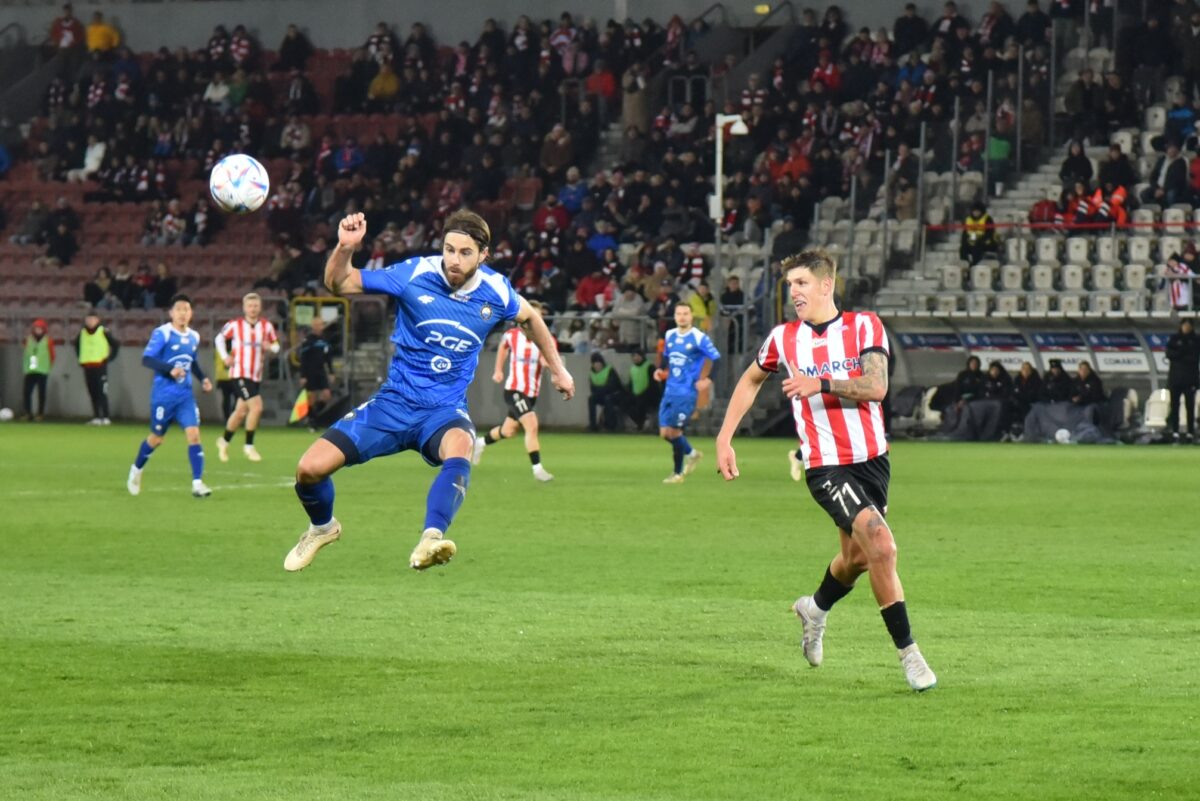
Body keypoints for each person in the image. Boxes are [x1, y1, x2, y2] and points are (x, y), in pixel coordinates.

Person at [284, 210, 575, 573]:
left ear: (483, 255)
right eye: (449, 250)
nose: (454, 260)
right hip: (393, 404)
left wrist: (558, 369)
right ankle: (322, 528)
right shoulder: (415, 273)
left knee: (462, 446)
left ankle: (430, 539)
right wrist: (345, 248)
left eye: (465, 253)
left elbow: (531, 318)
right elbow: (340, 284)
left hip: (443, 411)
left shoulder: (497, 291)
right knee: (308, 469)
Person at [714, 248, 937, 692]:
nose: (793, 292)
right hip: (825, 465)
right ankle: (909, 655)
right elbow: (751, 379)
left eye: (801, 283)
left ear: (826, 285)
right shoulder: (783, 338)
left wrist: (820, 383)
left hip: (872, 460)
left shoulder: (864, 326)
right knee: (882, 546)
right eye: (790, 285)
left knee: (857, 559)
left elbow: (877, 386)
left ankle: (814, 609)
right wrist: (725, 437)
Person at [126, 294, 214, 498]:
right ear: (171, 313)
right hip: (163, 396)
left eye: (186, 309)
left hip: (185, 396)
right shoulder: (163, 333)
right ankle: (136, 469)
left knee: (194, 435)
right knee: (156, 438)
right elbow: (147, 359)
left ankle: (197, 483)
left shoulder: (194, 336)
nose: (183, 313)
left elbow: (192, 362)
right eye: (179, 309)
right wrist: (169, 369)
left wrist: (203, 379)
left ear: (191, 313)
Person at [473, 302, 556, 481]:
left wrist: (549, 365)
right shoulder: (512, 335)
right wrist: (498, 370)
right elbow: (503, 347)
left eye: (538, 317)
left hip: (532, 393)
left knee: (508, 431)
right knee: (531, 424)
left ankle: (480, 442)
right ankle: (538, 469)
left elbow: (547, 359)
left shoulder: (545, 338)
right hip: (514, 390)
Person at [656, 302, 720, 483]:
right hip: (669, 391)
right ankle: (692, 454)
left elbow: (717, 359)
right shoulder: (670, 335)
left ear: (691, 316)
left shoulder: (699, 338)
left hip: (686, 393)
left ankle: (677, 474)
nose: (682, 317)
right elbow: (667, 356)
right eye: (679, 314)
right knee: (664, 433)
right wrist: (660, 369)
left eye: (685, 313)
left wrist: (708, 380)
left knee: (674, 432)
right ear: (675, 316)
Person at [214, 293, 281, 462]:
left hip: (255, 375)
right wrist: (225, 357)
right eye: (250, 306)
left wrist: (270, 347)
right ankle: (249, 446)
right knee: (256, 407)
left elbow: (277, 346)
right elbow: (219, 338)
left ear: (260, 307)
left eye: (256, 306)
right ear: (244, 308)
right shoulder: (235, 325)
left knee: (240, 412)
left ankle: (224, 441)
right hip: (239, 373)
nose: (253, 309)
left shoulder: (266, 326)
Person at [73, 310, 120, 425]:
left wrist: (109, 358)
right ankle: (96, 416)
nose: (90, 321)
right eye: (88, 319)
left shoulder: (103, 331)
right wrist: (80, 358)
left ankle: (106, 416)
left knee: (102, 391)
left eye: (92, 319)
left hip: (100, 366)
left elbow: (115, 344)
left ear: (97, 320)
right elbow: (76, 346)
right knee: (92, 391)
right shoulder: (82, 333)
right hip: (88, 366)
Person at [297, 317, 335, 429]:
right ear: (313, 326)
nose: (319, 327)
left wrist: (331, 372)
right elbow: (303, 359)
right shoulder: (308, 341)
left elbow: (328, 358)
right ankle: (312, 421)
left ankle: (312, 416)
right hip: (310, 372)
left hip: (321, 371)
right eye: (317, 325)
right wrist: (303, 375)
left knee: (327, 395)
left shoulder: (325, 340)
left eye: (321, 324)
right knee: (312, 397)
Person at [1166, 319, 1200, 440]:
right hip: (1175, 379)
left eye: (1188, 326)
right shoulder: (1174, 339)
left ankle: (1190, 432)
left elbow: (1194, 357)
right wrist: (1182, 352)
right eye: (1184, 325)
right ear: (1181, 326)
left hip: (1190, 379)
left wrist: (1179, 353)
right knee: (1174, 406)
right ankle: (1175, 431)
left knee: (1190, 406)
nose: (1186, 328)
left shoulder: (1196, 340)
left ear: (1192, 327)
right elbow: (1169, 354)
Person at [22, 318, 55, 421]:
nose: (38, 330)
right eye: (36, 328)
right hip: (30, 370)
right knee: (27, 392)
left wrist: (49, 365)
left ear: (44, 330)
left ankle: (40, 413)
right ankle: (28, 413)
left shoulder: (48, 341)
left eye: (40, 329)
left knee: (41, 393)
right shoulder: (28, 340)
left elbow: (52, 355)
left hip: (42, 370)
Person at [587, 352, 625, 431]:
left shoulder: (610, 370)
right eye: (595, 363)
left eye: (599, 363)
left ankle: (610, 426)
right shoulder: (592, 373)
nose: (597, 365)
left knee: (608, 399)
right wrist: (600, 390)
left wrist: (599, 390)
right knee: (591, 399)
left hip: (616, 395)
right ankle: (593, 425)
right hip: (602, 394)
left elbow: (611, 386)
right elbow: (592, 388)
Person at [624, 349, 659, 431]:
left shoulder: (650, 367)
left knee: (640, 403)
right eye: (633, 356)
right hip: (636, 395)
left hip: (650, 395)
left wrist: (642, 394)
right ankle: (639, 422)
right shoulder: (632, 369)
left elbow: (653, 385)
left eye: (637, 356)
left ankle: (641, 424)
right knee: (625, 403)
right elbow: (631, 384)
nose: (635, 358)